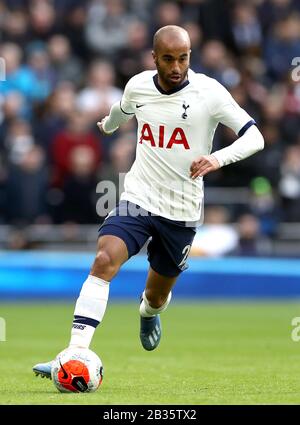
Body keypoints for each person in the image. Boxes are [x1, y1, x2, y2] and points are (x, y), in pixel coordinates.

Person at [33, 25, 264, 378]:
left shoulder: (210, 92)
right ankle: (74, 352)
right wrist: (108, 126)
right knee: (103, 259)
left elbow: (255, 137)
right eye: (168, 59)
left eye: (183, 58)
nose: (176, 67)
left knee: (156, 296)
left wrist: (217, 159)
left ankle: (148, 313)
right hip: (139, 196)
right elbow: (121, 110)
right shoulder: (139, 85)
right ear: (153, 57)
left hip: (182, 211)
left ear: (190, 56)